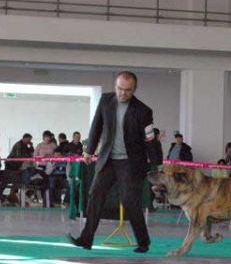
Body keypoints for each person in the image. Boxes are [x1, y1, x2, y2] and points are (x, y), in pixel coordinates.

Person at [67, 71, 161, 253]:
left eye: (127, 90)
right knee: (95, 194)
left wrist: (157, 165)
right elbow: (97, 126)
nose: (122, 93)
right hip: (108, 159)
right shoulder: (105, 101)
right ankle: (85, 240)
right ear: (115, 86)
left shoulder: (143, 111)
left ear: (134, 89)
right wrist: (89, 151)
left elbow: (150, 140)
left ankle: (143, 241)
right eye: (119, 89)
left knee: (129, 200)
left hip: (130, 162)